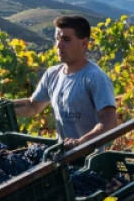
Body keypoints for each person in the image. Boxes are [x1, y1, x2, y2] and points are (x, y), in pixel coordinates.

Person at [13, 15, 117, 148]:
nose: (59, 45)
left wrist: (82, 142)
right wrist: (1, 106)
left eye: (66, 40)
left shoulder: (95, 78)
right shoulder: (52, 74)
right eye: (57, 39)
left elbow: (109, 121)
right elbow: (32, 106)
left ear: (84, 43)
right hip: (64, 156)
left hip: (89, 160)